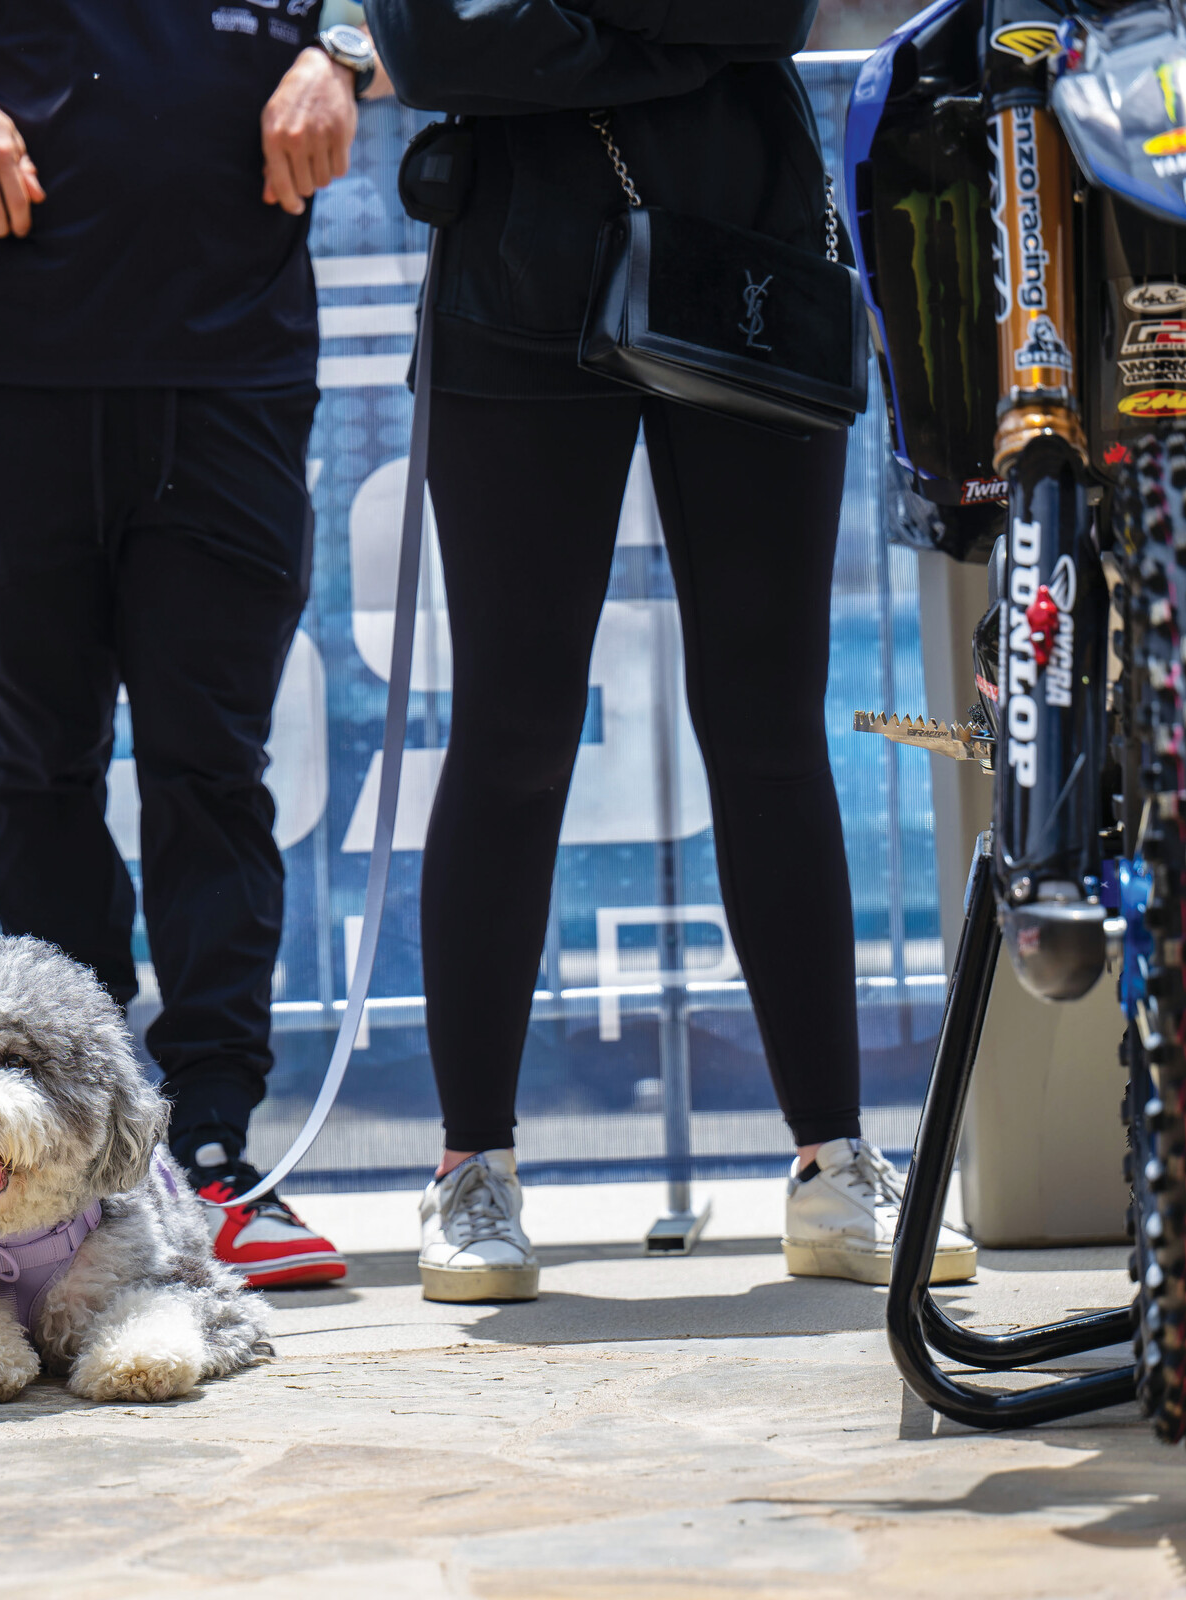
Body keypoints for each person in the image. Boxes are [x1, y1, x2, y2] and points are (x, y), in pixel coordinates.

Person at [364, 0, 979, 1301]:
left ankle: (832, 1165)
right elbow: (432, 48)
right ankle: (473, 1171)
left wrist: (580, 22)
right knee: (513, 738)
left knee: (768, 733)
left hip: (747, 265)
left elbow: (775, 9)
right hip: (514, 298)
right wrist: (683, 32)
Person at [0, 0, 382, 1287]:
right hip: (22, 381)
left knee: (212, 768)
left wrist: (344, 54)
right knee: (41, 764)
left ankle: (217, 1154)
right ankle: (82, 1160)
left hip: (235, 384)